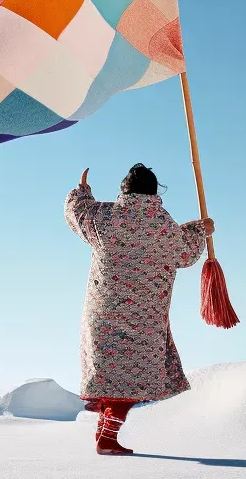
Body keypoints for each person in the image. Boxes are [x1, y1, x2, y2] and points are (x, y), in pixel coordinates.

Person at [64, 163, 214, 455]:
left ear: (124, 190)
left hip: (103, 314)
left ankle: (105, 437)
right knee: (129, 380)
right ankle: (106, 439)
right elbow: (186, 252)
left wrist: (82, 191)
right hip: (146, 319)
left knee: (111, 377)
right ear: (155, 192)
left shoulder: (106, 219)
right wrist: (200, 230)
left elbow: (77, 213)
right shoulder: (164, 227)